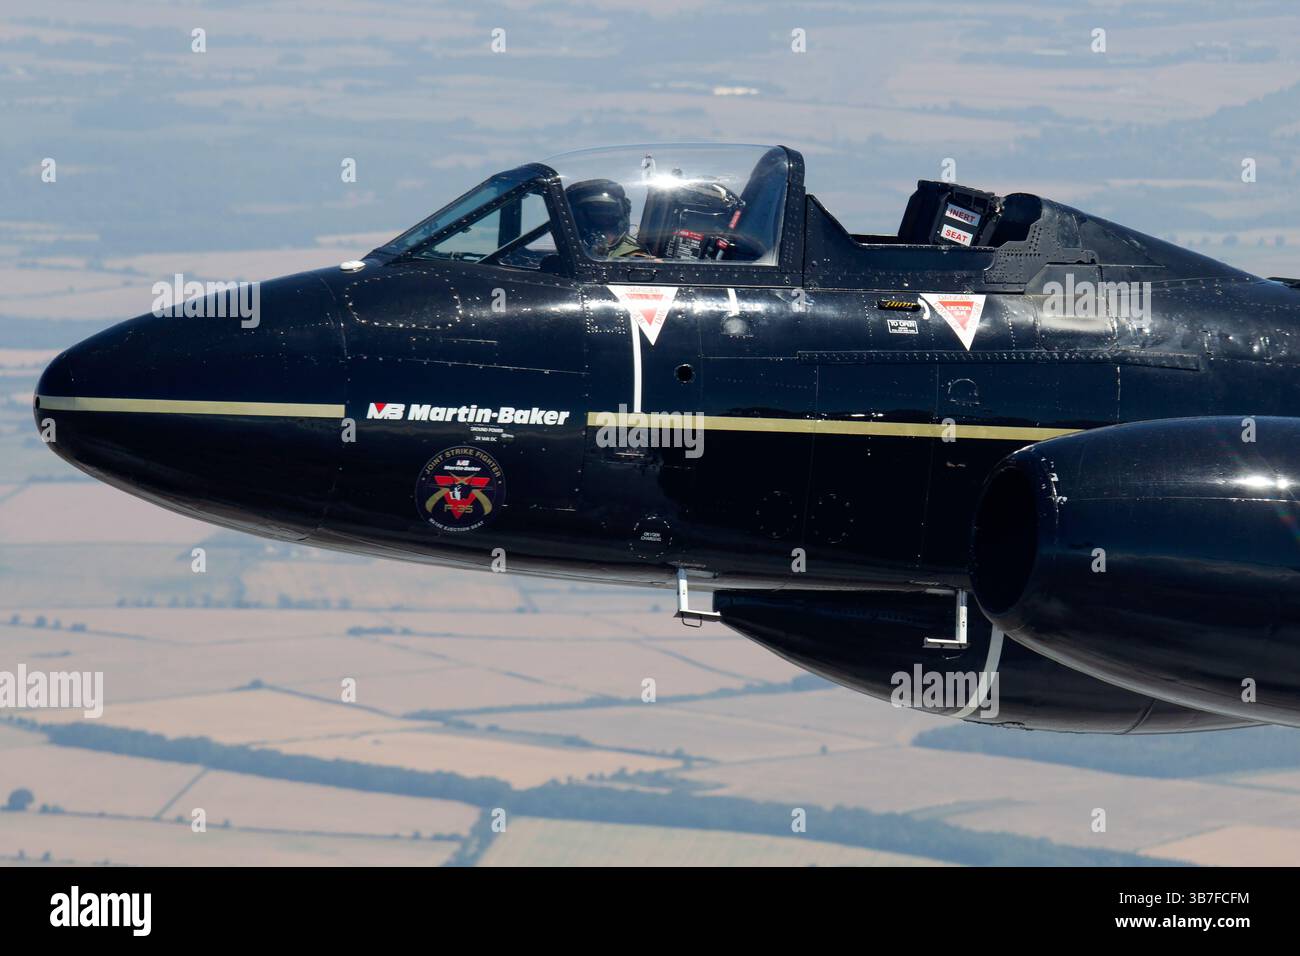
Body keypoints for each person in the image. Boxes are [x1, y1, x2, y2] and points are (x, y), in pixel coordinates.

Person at [565, 179, 651, 258]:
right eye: (592, 210)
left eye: (605, 210)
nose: (600, 215)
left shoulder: (636, 259)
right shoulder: (568, 257)